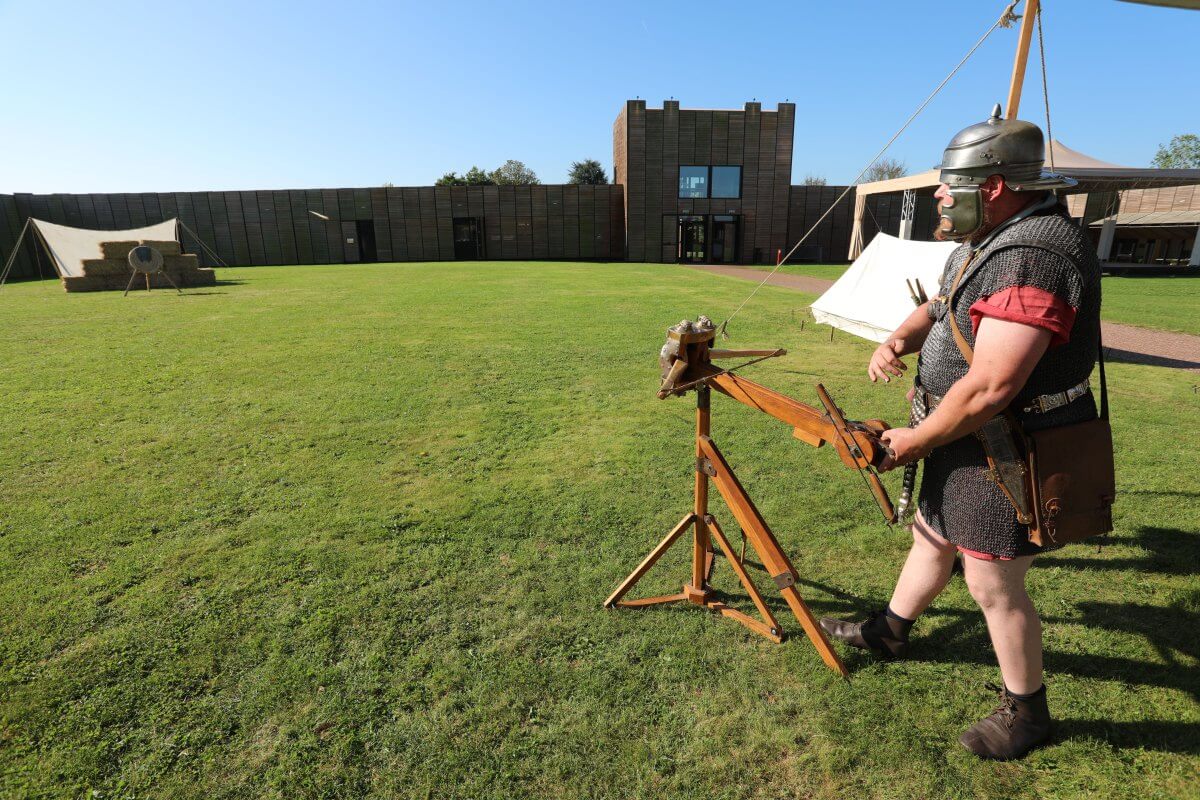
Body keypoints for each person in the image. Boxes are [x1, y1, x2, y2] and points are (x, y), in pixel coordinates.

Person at [819, 105, 1102, 761]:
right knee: (933, 533)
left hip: (1011, 444)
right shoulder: (984, 245)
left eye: (951, 185)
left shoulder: (1034, 255)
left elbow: (993, 384)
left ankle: (1027, 712)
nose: (941, 194)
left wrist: (913, 441)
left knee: (992, 583)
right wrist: (900, 338)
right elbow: (937, 306)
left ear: (996, 186)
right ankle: (892, 630)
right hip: (967, 438)